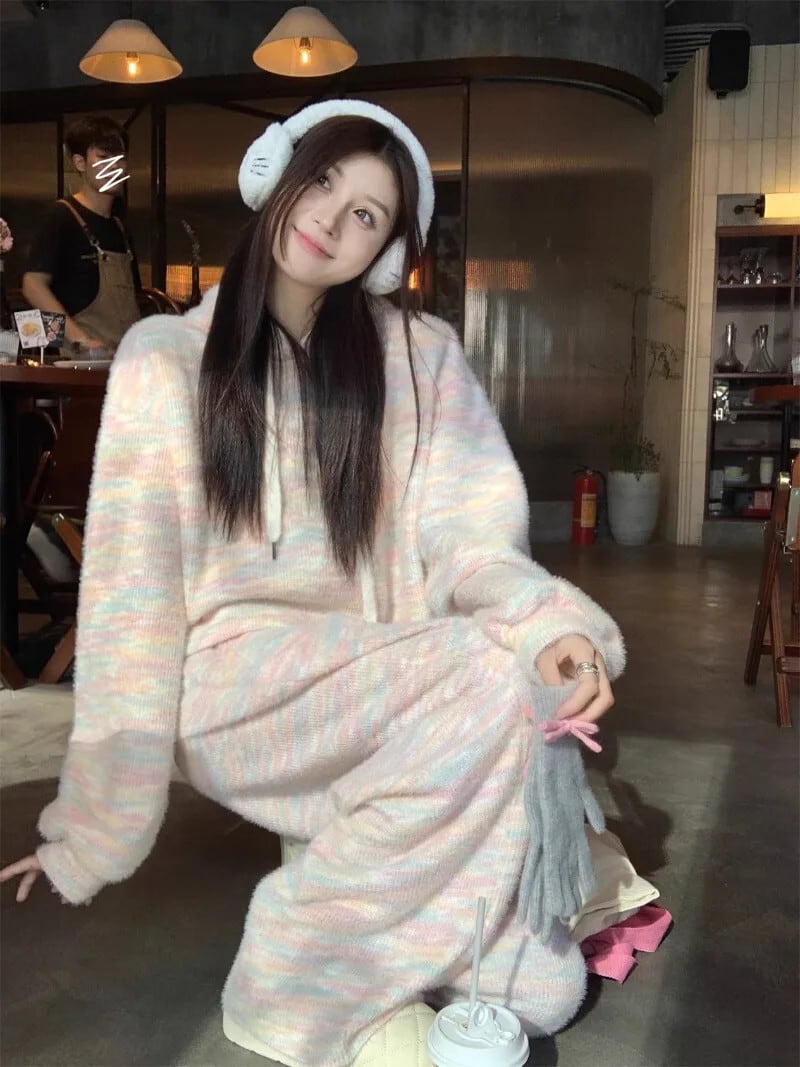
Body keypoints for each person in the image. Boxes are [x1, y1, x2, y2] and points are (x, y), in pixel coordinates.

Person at [0, 101, 625, 1067]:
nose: (332, 219)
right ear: (277, 174)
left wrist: (549, 626)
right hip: (230, 688)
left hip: (374, 677)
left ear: (384, 253)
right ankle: (292, 982)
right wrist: (90, 827)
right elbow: (131, 606)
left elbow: (469, 540)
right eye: (324, 181)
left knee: (541, 985)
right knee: (481, 678)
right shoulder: (166, 362)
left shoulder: (421, 360)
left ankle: (414, 940)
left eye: (367, 214)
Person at [21, 115, 141, 353]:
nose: (115, 167)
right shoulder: (61, 216)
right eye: (104, 158)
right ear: (80, 163)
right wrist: (81, 340)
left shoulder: (120, 228)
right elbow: (32, 285)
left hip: (123, 361)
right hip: (74, 363)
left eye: (121, 159)